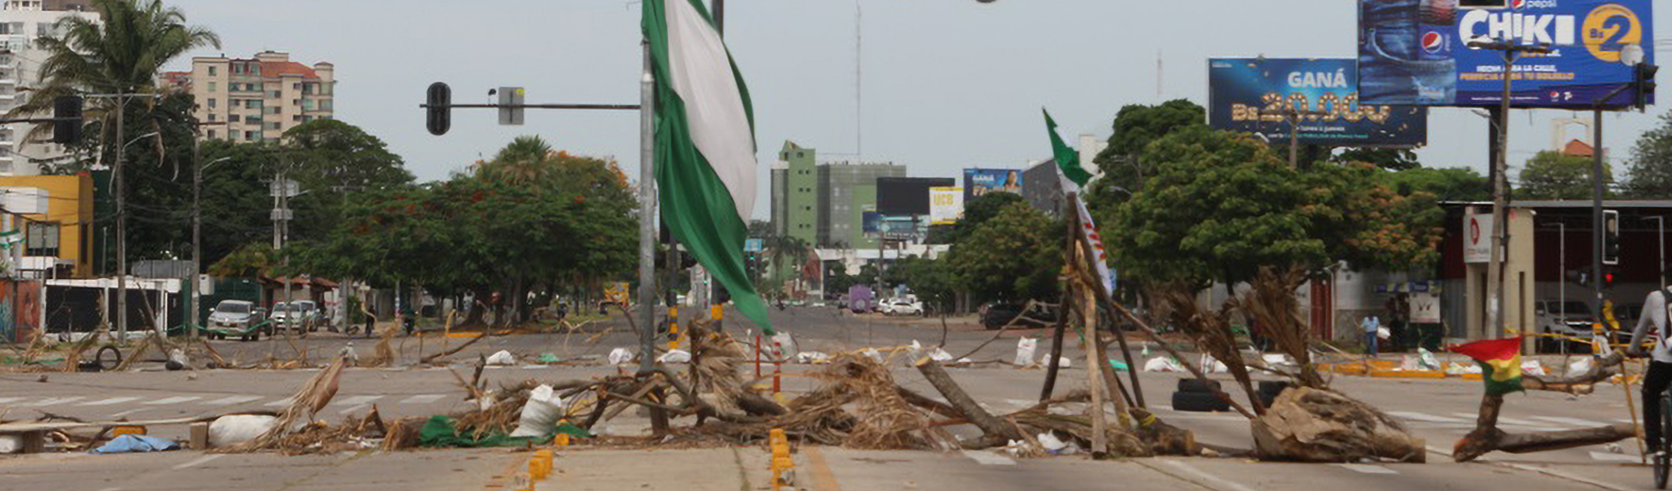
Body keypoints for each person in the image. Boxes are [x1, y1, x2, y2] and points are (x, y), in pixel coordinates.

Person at [1629, 274, 1672, 458]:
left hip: (1665, 360)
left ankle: (1654, 444)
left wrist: (1632, 349)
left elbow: (1641, 328)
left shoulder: (1656, 297)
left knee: (1650, 393)